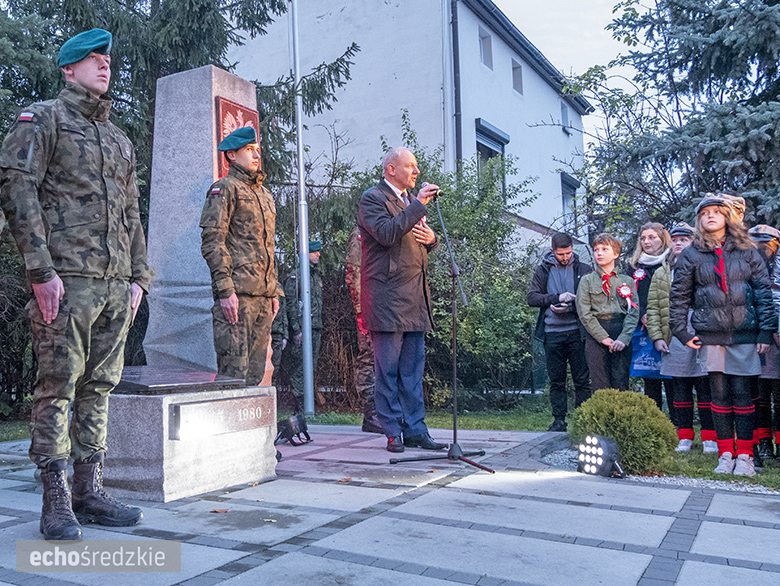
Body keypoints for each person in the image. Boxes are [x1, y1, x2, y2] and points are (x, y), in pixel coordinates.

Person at [0, 29, 152, 540]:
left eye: (107, 57)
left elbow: (131, 213)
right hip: (66, 283)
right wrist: (41, 271)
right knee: (58, 388)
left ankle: (90, 489)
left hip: (113, 285)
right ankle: (55, 497)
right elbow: (15, 187)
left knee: (100, 387)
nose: (104, 64)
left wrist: (139, 279)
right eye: (91, 58)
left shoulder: (117, 138)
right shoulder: (43, 119)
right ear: (68, 70)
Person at [670, 193, 774, 477]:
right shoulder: (692, 254)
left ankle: (745, 456)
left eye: (717, 211)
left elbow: (763, 293)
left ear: (728, 216)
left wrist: (766, 329)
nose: (711, 216)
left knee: (743, 395)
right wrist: (681, 330)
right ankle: (726, 453)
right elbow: (679, 296)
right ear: (699, 220)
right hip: (710, 335)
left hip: (744, 334)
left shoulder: (748, 250)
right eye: (705, 213)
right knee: (719, 395)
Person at [358, 147, 444, 453]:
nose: (416, 171)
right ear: (391, 169)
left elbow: (412, 246)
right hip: (387, 299)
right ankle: (393, 430)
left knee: (412, 372)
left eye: (417, 165)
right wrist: (419, 204)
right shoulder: (373, 198)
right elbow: (385, 234)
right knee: (389, 371)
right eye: (410, 166)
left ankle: (416, 430)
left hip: (414, 299)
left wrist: (432, 240)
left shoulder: (409, 202)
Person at [200, 126, 281, 386]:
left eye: (257, 149)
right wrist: (225, 291)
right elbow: (213, 241)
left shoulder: (264, 195)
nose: (256, 155)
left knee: (255, 377)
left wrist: (274, 291)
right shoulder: (224, 189)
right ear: (232, 155)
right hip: (238, 298)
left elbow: (267, 247)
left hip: (262, 298)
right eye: (249, 150)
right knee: (232, 378)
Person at [647, 222, 716, 453]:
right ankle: (684, 435)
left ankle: (709, 437)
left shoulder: (706, 265)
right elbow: (654, 308)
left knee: (705, 387)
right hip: (674, 333)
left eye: (683, 239)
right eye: (675, 239)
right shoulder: (661, 272)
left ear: (693, 242)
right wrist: (657, 336)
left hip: (702, 331)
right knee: (680, 388)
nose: (678, 243)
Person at [527, 232, 592, 432]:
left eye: (568, 253)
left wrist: (570, 306)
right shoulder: (543, 270)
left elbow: (590, 301)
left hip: (576, 332)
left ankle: (583, 420)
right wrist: (555, 299)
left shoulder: (584, 270)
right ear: (552, 251)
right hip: (552, 333)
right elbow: (532, 298)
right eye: (561, 254)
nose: (565, 257)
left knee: (582, 379)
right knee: (557, 380)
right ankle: (558, 420)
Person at [575, 233, 639, 392]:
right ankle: (602, 416)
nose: (599, 253)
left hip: (620, 330)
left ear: (616, 254)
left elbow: (633, 312)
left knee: (620, 380)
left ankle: (620, 416)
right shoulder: (587, 280)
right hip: (596, 333)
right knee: (599, 382)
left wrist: (624, 338)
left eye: (605, 249)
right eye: (596, 250)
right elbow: (584, 312)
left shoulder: (627, 281)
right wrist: (603, 338)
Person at [628, 222, 674, 422]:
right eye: (643, 238)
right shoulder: (635, 267)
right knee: (650, 377)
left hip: (668, 325)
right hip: (643, 327)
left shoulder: (672, 262)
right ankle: (656, 422)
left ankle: (678, 424)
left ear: (663, 239)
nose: (647, 242)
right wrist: (643, 315)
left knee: (672, 378)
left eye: (652, 237)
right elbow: (628, 296)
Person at [345, 226, 383, 433]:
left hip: (387, 306)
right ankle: (371, 414)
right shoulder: (362, 232)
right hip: (369, 307)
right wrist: (362, 312)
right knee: (369, 357)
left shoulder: (385, 229)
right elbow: (354, 274)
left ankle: (385, 411)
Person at [749, 224, 780, 462]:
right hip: (754, 338)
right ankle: (763, 443)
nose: (760, 248)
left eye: (765, 243)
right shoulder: (745, 268)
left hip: (778, 339)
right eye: (755, 243)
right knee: (757, 396)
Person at [284, 241, 323, 407]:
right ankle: (299, 402)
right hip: (302, 327)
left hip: (315, 326)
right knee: (301, 365)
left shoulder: (315, 276)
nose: (318, 255)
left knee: (312, 364)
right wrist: (296, 330)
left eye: (318, 252)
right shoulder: (296, 277)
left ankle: (306, 401)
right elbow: (291, 305)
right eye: (314, 252)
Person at [270, 288, 288, 388]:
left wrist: (285, 336)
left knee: (275, 369)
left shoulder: (279, 288)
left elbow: (283, 312)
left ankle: (272, 398)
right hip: (263, 332)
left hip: (277, 334)